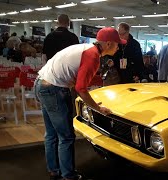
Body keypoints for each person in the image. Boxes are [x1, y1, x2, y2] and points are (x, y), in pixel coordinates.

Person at [34, 27, 126, 180]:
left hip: (41, 84)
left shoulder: (86, 48)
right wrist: (97, 108)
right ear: (109, 44)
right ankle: (69, 176)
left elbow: (72, 76)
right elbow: (81, 89)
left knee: (51, 134)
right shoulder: (93, 56)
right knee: (66, 136)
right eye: (118, 44)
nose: (119, 47)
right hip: (53, 89)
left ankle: (54, 171)